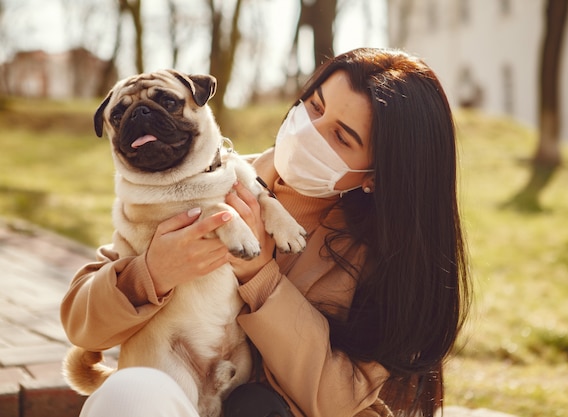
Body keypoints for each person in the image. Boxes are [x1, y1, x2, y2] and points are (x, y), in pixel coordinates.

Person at [61, 47, 471, 417]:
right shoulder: (208, 178)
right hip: (177, 394)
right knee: (130, 392)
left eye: (340, 136)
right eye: (314, 105)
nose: (311, 129)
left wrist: (260, 276)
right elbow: (82, 326)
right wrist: (151, 272)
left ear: (378, 175)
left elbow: (339, 400)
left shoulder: (383, 257)